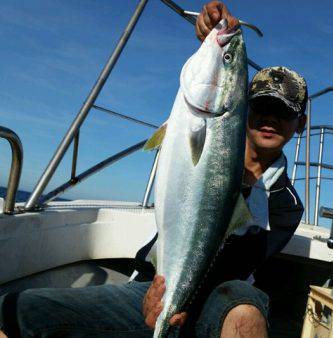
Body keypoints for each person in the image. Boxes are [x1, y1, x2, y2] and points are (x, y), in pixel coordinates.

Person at [0, 2, 307, 337]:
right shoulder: (199, 126)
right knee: (17, 309)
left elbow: (238, 263)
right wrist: (212, 41)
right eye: (261, 106)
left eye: (283, 111)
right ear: (244, 107)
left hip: (218, 297)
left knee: (246, 314)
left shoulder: (286, 203)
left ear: (300, 123)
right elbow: (209, 86)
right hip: (153, 286)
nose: (269, 118)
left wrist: (178, 300)